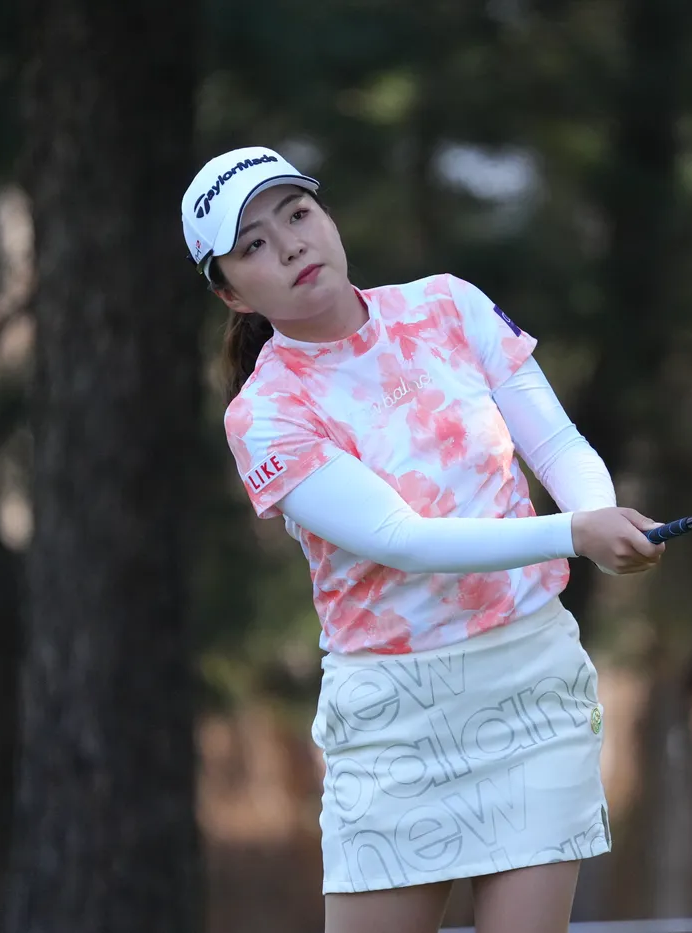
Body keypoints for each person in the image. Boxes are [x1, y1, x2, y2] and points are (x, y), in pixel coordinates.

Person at [180, 146, 666, 933]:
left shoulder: (449, 304)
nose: (292, 245)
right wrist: (577, 532)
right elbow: (398, 537)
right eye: (255, 245)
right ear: (232, 293)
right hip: (395, 721)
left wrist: (600, 514)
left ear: (326, 217)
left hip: (531, 685)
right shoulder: (264, 412)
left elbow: (557, 446)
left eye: (297, 215)